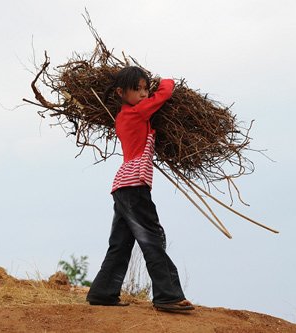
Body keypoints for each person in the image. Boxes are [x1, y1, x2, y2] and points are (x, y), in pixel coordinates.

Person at [86, 66, 194, 312]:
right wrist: (164, 80)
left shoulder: (130, 116)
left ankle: (103, 293)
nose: (144, 94)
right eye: (138, 89)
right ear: (121, 92)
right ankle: (168, 295)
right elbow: (164, 93)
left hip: (126, 187)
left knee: (121, 243)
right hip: (134, 188)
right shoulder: (134, 115)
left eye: (146, 89)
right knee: (151, 238)